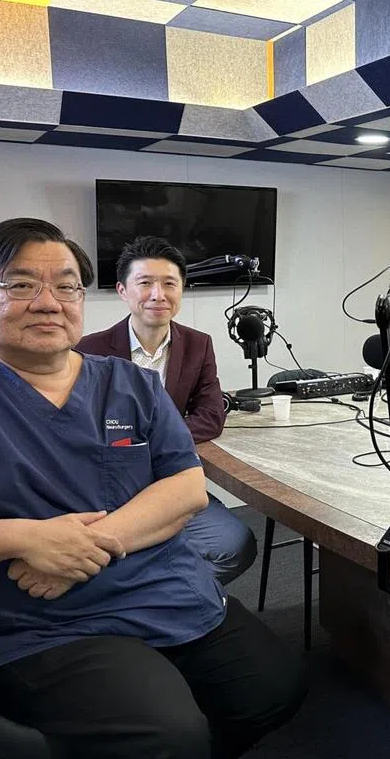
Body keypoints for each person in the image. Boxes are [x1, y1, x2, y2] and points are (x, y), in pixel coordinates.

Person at [0, 218, 305, 759]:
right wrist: (26, 539)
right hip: (39, 621)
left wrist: (87, 547)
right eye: (20, 284)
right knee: (166, 733)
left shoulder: (130, 384)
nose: (48, 301)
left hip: (161, 590)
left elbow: (185, 488)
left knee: (274, 691)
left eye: (66, 286)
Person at [78, 236, 257, 585]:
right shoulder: (91, 349)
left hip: (172, 482)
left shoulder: (197, 344)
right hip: (110, 490)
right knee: (106, 557)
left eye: (169, 284)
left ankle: (167, 598)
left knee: (235, 546)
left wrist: (154, 444)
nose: (158, 295)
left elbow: (211, 416)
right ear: (122, 290)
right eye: (145, 283)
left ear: (181, 290)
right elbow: (84, 427)